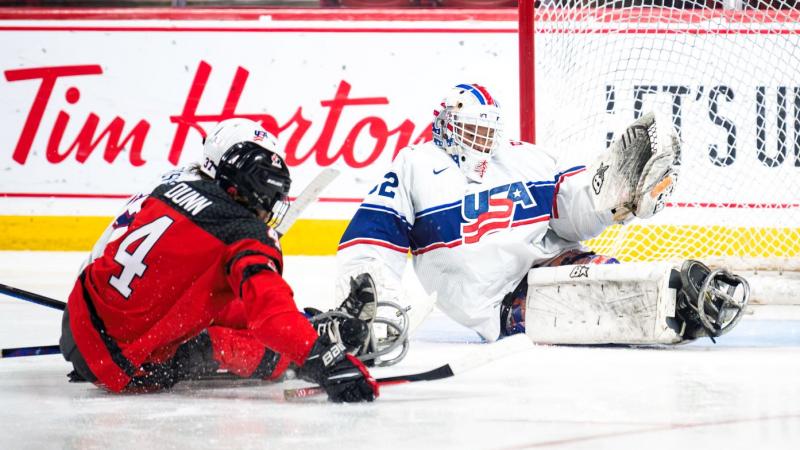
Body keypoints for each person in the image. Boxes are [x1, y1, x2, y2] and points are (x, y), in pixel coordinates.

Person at [336, 83, 749, 345]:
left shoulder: (524, 158)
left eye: (488, 129)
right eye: (470, 129)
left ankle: (683, 296)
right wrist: (371, 301)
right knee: (597, 306)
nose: (482, 139)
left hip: (555, 262)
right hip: (496, 301)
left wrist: (614, 198)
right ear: (445, 125)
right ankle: (683, 302)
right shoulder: (414, 166)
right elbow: (371, 238)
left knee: (609, 279)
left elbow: (571, 210)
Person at [59, 118, 379, 403]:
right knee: (224, 344)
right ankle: (303, 350)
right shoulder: (244, 232)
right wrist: (325, 361)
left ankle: (308, 326)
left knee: (222, 298)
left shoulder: (171, 186)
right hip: (119, 363)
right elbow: (269, 318)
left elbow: (106, 250)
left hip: (79, 315)